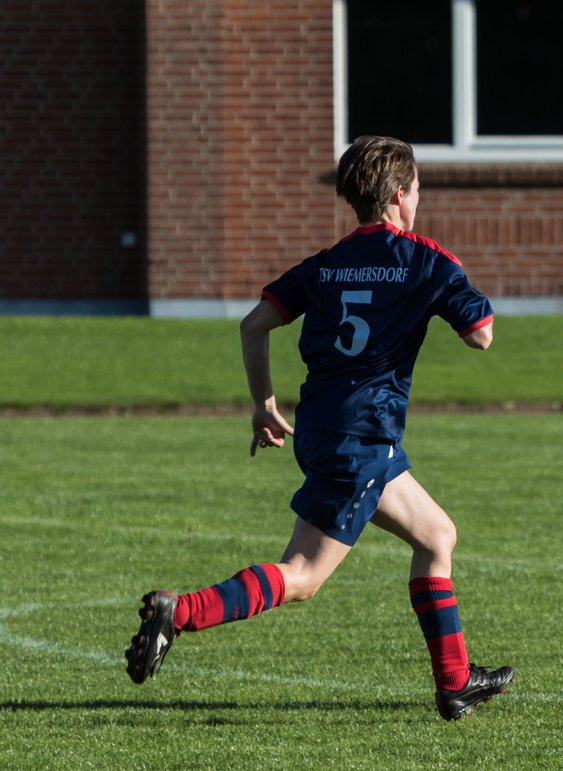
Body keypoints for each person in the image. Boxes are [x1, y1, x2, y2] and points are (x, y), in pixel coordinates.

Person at [125, 135, 513, 721]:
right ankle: (180, 613)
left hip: (324, 431)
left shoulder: (326, 264)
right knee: (303, 576)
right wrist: (443, 287)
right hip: (364, 436)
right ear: (402, 193)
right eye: (417, 192)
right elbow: (481, 334)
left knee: (437, 536)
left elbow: (253, 326)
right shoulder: (425, 259)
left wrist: (263, 404)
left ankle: (456, 682)